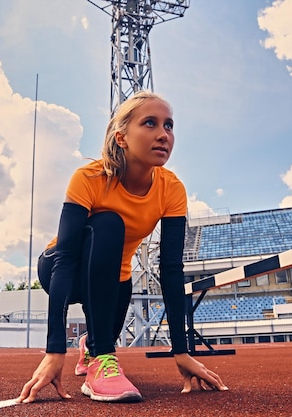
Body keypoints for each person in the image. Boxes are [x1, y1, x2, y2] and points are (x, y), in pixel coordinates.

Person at [17, 90, 228, 404]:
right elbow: (65, 258)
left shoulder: (172, 188)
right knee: (109, 223)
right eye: (150, 124)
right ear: (122, 137)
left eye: (168, 126)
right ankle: (101, 360)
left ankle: (92, 346)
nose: (163, 135)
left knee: (106, 324)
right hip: (62, 267)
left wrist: (181, 352)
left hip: (115, 278)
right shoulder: (90, 177)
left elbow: (171, 269)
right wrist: (54, 350)